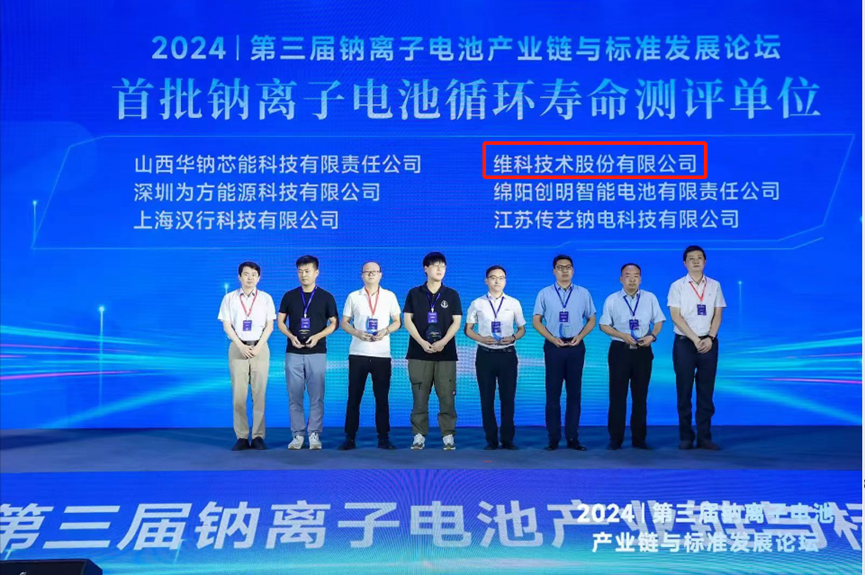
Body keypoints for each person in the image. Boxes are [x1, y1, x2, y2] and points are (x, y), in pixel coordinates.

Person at [598, 263, 665, 450]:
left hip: (643, 350)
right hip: (620, 350)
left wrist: (652, 336)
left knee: (640, 396)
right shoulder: (612, 299)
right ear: (621, 279)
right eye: (628, 275)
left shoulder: (650, 298)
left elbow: (659, 320)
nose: (632, 279)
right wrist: (621, 335)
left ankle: (639, 439)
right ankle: (615, 438)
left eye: (636, 275)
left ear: (640, 279)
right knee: (617, 395)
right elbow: (604, 325)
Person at [532, 255, 596, 451]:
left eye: (568, 267)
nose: (565, 270)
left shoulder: (583, 293)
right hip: (554, 347)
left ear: (573, 270)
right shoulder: (544, 293)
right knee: (553, 394)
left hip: (575, 346)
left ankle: (572, 438)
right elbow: (536, 321)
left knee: (574, 394)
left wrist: (580, 336)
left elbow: (592, 319)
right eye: (560, 267)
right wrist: (552, 339)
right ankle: (553, 438)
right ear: (554, 271)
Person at [667, 245, 726, 451]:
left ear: (705, 262)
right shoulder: (677, 286)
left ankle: (704, 437)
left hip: (709, 342)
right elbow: (676, 316)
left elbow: (718, 314)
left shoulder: (715, 285)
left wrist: (710, 337)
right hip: (685, 343)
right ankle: (686, 437)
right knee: (684, 390)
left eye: (699, 258)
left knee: (706, 390)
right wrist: (694, 339)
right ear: (685, 263)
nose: (696, 261)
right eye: (691, 258)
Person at [338, 261, 402, 450]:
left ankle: (384, 438)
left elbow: (398, 321)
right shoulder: (353, 296)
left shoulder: (389, 296)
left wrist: (386, 331)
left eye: (375, 271)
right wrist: (357, 332)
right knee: (354, 397)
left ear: (381, 274)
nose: (371, 274)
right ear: (362, 275)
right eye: (367, 272)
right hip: (358, 353)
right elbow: (344, 322)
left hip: (382, 355)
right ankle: (350, 438)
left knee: (382, 398)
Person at [403, 252, 463, 451]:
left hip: (445, 354)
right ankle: (419, 435)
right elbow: (407, 320)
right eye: (435, 265)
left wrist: (443, 342)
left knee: (447, 396)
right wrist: (421, 342)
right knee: (419, 396)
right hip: (419, 353)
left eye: (442, 266)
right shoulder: (414, 293)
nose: (439, 269)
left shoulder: (452, 294)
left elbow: (456, 322)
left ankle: (448, 435)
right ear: (426, 268)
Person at [277, 255, 338, 450]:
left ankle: (314, 434)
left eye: (307, 271)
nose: (304, 275)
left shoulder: (326, 297)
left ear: (316, 272)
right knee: (294, 396)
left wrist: (318, 336)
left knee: (316, 396)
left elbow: (334, 323)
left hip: (317, 352)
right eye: (300, 271)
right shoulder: (289, 296)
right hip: (293, 352)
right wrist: (291, 336)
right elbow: (280, 322)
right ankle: (297, 435)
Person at [465, 265, 526, 450]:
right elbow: (468, 330)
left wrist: (513, 337)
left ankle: (508, 440)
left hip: (508, 355)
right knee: (487, 399)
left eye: (501, 278)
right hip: (485, 355)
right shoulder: (477, 303)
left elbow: (522, 329)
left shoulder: (514, 303)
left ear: (505, 281)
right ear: (486, 281)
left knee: (508, 399)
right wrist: (481, 339)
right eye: (493, 277)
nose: (497, 281)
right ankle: (491, 440)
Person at [218, 262, 277, 451]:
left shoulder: (266, 298)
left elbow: (270, 326)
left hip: (260, 347)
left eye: (253, 274)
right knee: (238, 395)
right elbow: (227, 325)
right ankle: (242, 436)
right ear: (239, 277)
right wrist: (240, 345)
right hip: (238, 347)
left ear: (259, 278)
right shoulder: (229, 298)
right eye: (246, 274)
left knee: (259, 395)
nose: (250, 278)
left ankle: (258, 436)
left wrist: (258, 346)